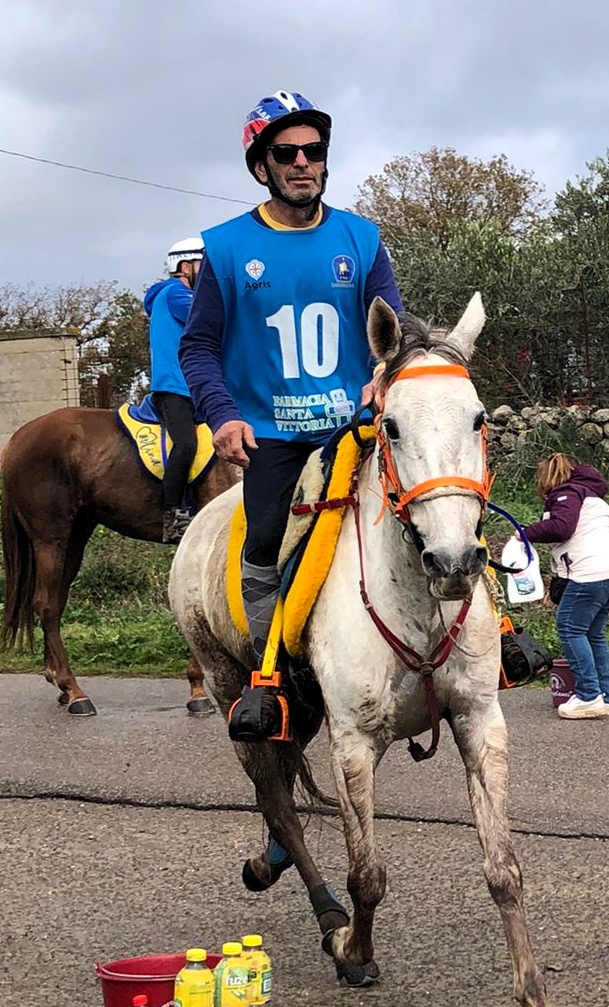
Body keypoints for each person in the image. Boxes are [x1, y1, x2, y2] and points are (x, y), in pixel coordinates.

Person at [180, 90, 403, 736]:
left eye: (314, 151)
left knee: (434, 492)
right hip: (274, 436)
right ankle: (269, 674)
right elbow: (197, 347)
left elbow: (392, 326)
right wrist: (222, 416)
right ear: (262, 166)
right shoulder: (225, 249)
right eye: (287, 153)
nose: (304, 162)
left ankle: (484, 636)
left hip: (352, 427)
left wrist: (384, 372)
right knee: (265, 535)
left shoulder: (361, 240)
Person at [521, 454, 609, 720]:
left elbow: (562, 528)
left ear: (549, 477)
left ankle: (587, 695)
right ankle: (606, 697)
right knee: (593, 633)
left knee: (570, 628)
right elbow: (574, 544)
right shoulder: (593, 497)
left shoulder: (566, 493)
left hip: (591, 572)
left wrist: (525, 533)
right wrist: (556, 586)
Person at [144, 236, 205, 543]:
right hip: (175, 387)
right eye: (201, 265)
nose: (206, 272)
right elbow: (208, 320)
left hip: (192, 388)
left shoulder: (175, 294)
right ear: (185, 266)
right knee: (186, 444)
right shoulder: (175, 294)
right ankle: (172, 514)